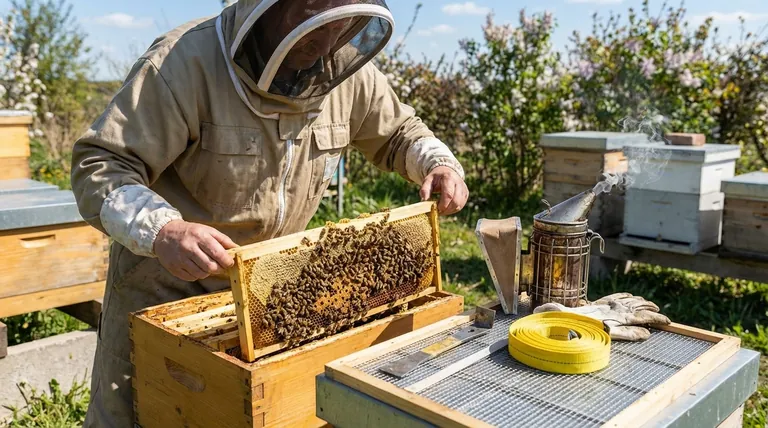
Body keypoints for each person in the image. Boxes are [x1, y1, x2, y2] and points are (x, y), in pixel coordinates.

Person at [70, 0, 468, 426]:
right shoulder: (183, 62)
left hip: (270, 300)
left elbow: (400, 132)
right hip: (166, 291)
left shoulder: (344, 73)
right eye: (311, 18)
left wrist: (436, 163)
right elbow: (101, 166)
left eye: (343, 25)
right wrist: (164, 230)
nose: (326, 42)